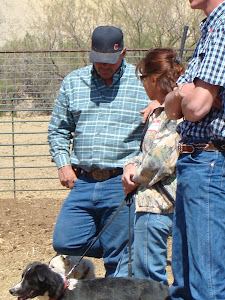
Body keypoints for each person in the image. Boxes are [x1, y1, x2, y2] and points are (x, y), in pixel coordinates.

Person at [48, 25, 158, 277]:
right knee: (65, 242)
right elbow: (58, 130)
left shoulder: (142, 83)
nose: (103, 66)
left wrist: (161, 102)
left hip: (121, 181)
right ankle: (121, 245)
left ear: (123, 53)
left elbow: (165, 125)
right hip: (83, 181)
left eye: (109, 61)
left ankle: (119, 261)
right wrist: (63, 163)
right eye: (98, 60)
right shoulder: (74, 82)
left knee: (118, 259)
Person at [165, 1, 225, 299]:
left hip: (209, 161)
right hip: (195, 162)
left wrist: (190, 94)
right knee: (186, 275)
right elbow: (173, 108)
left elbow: (196, 106)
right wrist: (184, 92)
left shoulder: (223, 27)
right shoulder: (210, 29)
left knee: (206, 278)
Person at [115, 47, 185, 285]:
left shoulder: (178, 112)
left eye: (143, 77)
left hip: (163, 206)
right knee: (142, 270)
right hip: (148, 205)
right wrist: (129, 167)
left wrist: (135, 177)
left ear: (154, 78)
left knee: (150, 279)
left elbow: (160, 159)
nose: (142, 83)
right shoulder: (158, 113)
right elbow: (146, 153)